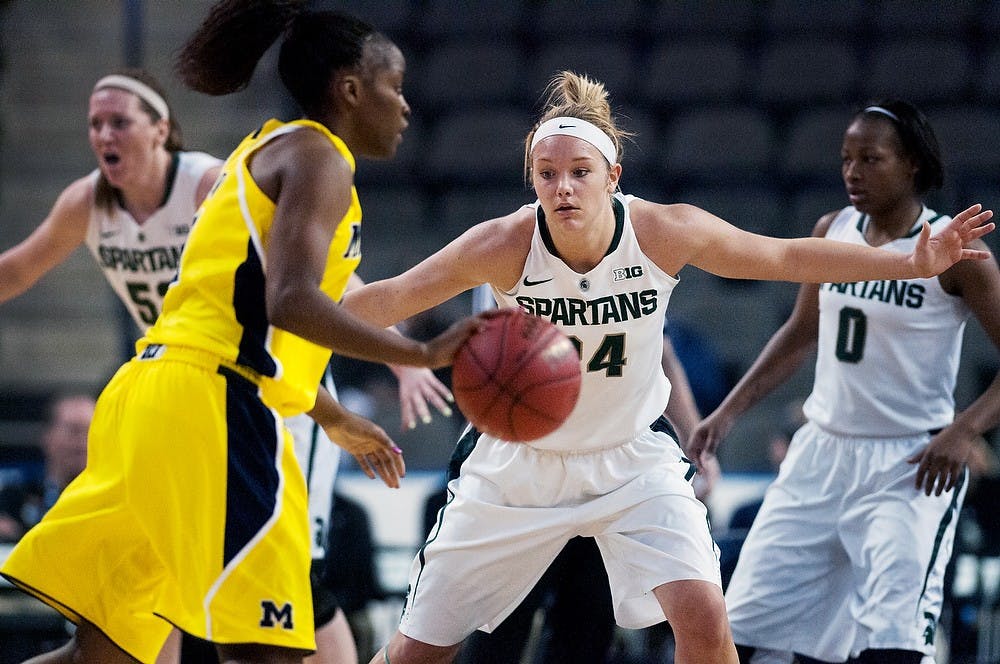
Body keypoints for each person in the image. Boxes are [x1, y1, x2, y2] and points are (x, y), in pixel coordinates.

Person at [340, 72, 993, 664]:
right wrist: (283, 305)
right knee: (414, 654)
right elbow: (375, 303)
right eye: (546, 174)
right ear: (531, 180)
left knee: (707, 621)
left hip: (631, 462)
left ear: (613, 174)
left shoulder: (661, 231)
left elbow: (786, 258)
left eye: (579, 172)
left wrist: (909, 262)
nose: (562, 187)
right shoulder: (503, 243)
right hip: (516, 471)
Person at [0, 2, 484, 662]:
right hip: (214, 407)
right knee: (269, 647)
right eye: (392, 87)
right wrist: (419, 351)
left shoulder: (254, 151)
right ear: (348, 88)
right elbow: (290, 302)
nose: (403, 107)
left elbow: (259, 314)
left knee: (102, 656)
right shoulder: (321, 158)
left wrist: (332, 413)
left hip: (151, 396)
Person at [687, 99, 1000, 664]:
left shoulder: (957, 254)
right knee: (735, 635)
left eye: (871, 159)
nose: (852, 172)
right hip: (820, 454)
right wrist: (727, 411)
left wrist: (964, 430)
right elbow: (800, 332)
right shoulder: (834, 229)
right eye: (846, 159)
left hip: (908, 465)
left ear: (912, 165)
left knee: (892, 646)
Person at [0, 392, 95, 542]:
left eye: (91, 431)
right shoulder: (12, 501)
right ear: (48, 436)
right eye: (74, 431)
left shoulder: (118, 502)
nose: (82, 443)